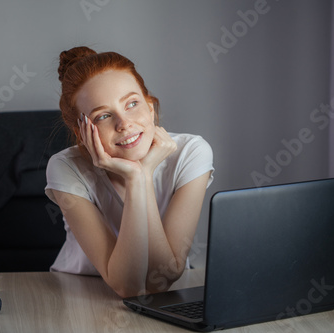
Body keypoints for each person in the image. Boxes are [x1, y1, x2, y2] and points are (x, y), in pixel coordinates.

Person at [45, 46, 214, 298]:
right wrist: (138, 177)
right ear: (82, 133)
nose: (124, 124)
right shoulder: (66, 167)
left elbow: (160, 281)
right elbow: (128, 287)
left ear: (151, 108)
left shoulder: (191, 152)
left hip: (169, 297)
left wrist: (141, 175)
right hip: (78, 294)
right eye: (103, 116)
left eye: (132, 104)